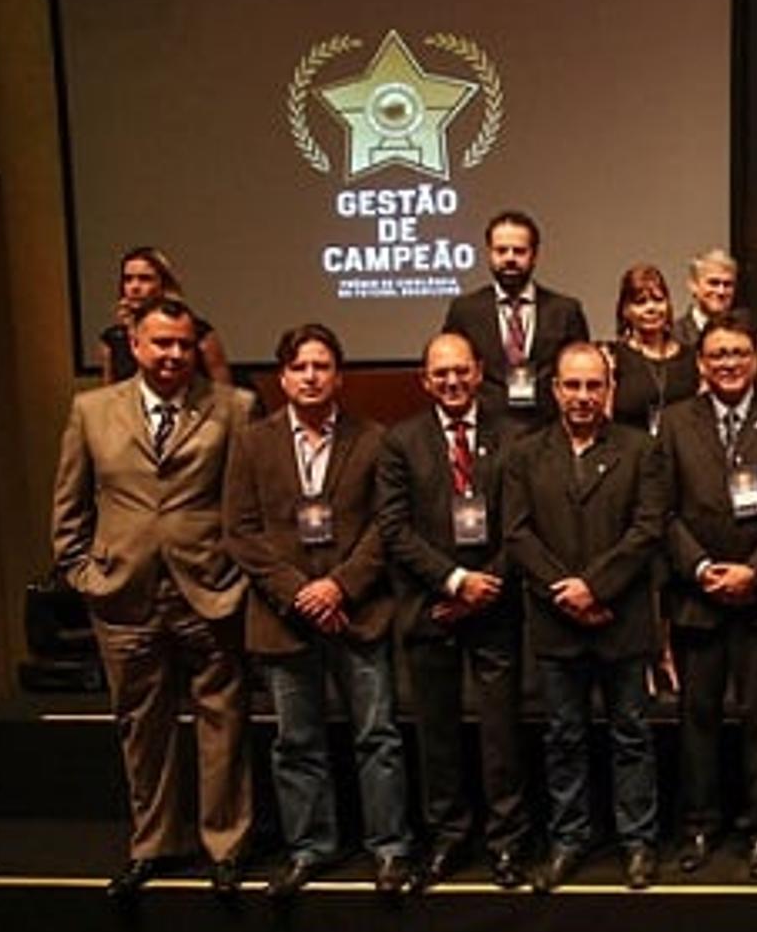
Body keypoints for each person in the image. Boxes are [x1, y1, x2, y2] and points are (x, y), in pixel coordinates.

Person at [51, 296, 255, 897]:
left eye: (183, 344)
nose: (172, 354)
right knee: (143, 725)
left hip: (210, 588)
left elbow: (249, 506)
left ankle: (226, 843)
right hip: (123, 593)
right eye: (160, 343)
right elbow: (69, 507)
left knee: (224, 720)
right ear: (134, 345)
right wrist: (84, 574)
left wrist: (239, 578)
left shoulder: (234, 408)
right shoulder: (91, 411)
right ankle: (156, 843)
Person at [224, 323, 412, 897]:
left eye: (322, 366)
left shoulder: (374, 438)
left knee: (377, 736)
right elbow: (240, 530)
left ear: (339, 375)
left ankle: (389, 848)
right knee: (296, 741)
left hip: (358, 611)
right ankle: (310, 847)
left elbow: (387, 525)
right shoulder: (253, 442)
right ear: (283, 377)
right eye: (300, 367)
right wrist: (299, 593)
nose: (311, 376)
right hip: (284, 617)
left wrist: (339, 587)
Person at [504, 343, 669, 891]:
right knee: (564, 736)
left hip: (621, 617)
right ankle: (569, 839)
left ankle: (638, 841)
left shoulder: (641, 449)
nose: (582, 396)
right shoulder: (525, 454)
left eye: (593, 386)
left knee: (631, 735)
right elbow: (517, 532)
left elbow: (647, 530)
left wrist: (595, 587)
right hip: (555, 621)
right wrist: (564, 591)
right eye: (572, 386)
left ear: (610, 390)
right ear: (554, 390)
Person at [657, 317, 757, 879]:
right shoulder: (675, 421)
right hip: (697, 596)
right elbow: (663, 509)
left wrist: (753, 571)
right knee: (696, 718)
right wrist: (700, 568)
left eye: (739, 353)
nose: (728, 363)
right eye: (717, 354)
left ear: (755, 359)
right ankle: (698, 824)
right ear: (701, 363)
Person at [377, 332, 531, 891]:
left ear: (479, 371)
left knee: (500, 733)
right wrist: (454, 581)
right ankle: (446, 838)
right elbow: (393, 529)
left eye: (461, 371)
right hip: (431, 606)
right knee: (436, 733)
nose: (451, 381)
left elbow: (520, 524)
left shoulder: (512, 437)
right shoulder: (401, 442)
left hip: (495, 605)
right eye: (439, 373)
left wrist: (483, 583)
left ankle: (507, 842)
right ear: (425, 379)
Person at [440, 209, 590, 428]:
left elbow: (581, 371)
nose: (510, 258)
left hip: (548, 428)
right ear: (489, 254)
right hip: (487, 429)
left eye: (519, 251)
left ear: (534, 255)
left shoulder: (565, 310)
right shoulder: (465, 311)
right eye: (501, 251)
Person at [95, 246, 231, 384]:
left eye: (145, 279)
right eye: (128, 279)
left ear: (163, 283)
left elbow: (224, 394)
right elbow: (110, 397)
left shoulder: (199, 333)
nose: (134, 287)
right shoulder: (114, 338)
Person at [604, 263, 700, 438]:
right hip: (631, 457)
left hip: (680, 457)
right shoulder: (613, 357)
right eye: (640, 302)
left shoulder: (691, 357)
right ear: (626, 310)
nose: (651, 308)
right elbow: (604, 421)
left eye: (658, 299)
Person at [672, 248, 750, 351]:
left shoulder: (745, 334)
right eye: (714, 283)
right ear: (693, 285)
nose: (721, 291)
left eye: (728, 284)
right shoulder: (673, 335)